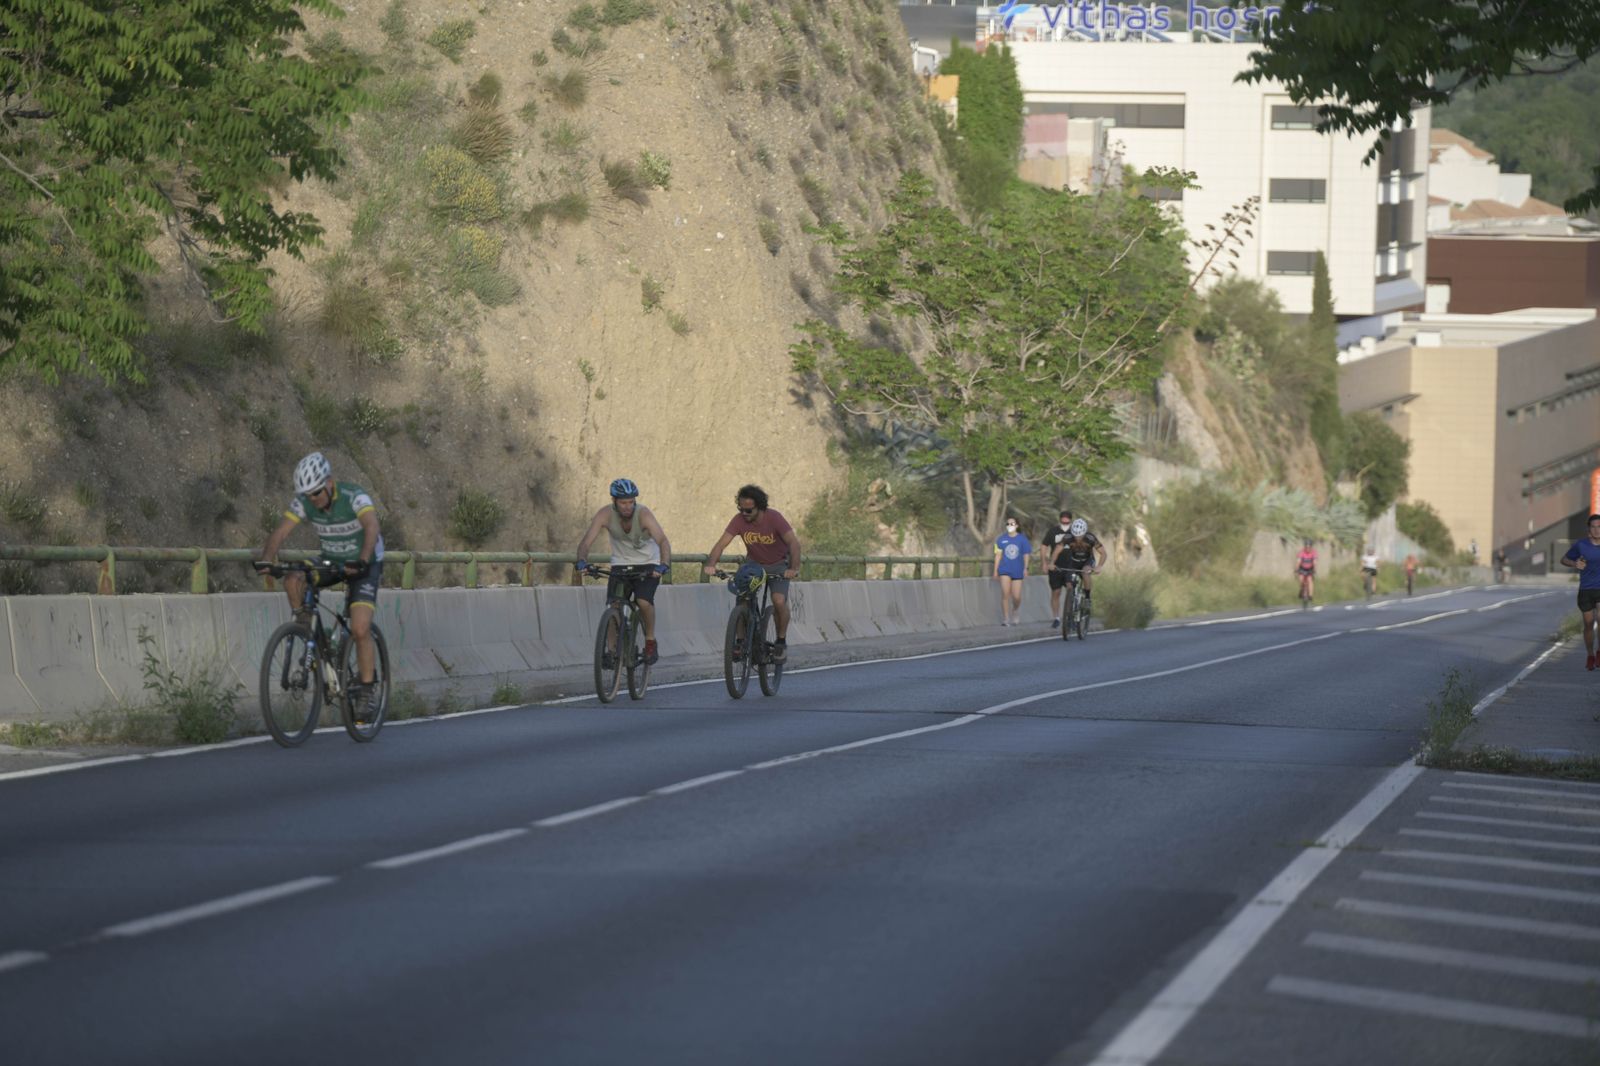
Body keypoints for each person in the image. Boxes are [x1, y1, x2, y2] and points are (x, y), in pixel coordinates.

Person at [259, 451, 384, 720]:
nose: (312, 500)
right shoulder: (305, 501)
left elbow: (372, 526)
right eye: (308, 495)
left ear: (328, 483)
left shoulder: (354, 496)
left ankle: (366, 690)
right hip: (331, 559)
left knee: (360, 628)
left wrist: (362, 560)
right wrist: (267, 560)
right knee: (293, 578)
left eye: (316, 493)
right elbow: (280, 532)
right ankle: (307, 632)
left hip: (365, 562)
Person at [575, 478, 672, 665]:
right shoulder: (605, 514)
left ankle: (650, 640)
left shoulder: (643, 514)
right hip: (621, 564)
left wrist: (663, 564)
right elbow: (586, 542)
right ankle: (611, 651)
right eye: (623, 502)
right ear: (614, 502)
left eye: (631, 502)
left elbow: (662, 541)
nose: (628, 507)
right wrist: (582, 561)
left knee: (643, 601)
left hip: (648, 564)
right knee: (614, 606)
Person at [703, 484, 802, 661]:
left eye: (749, 510)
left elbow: (793, 543)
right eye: (741, 510)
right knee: (742, 598)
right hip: (754, 565)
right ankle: (740, 642)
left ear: (760, 507)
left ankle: (781, 641)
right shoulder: (739, 520)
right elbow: (721, 544)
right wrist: (711, 564)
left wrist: (793, 569)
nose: (744, 514)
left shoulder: (774, 518)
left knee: (778, 600)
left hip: (778, 564)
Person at [1559, 514, 1600, 671]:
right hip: (1586, 590)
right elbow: (1564, 559)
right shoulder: (1581, 545)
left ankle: (1599, 652)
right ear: (1589, 529)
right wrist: (1574, 563)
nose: (1597, 530)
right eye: (1594, 527)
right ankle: (1590, 655)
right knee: (1589, 624)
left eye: (1599, 526)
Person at [1049, 518, 1106, 616]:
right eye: (1075, 535)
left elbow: (1103, 553)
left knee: (1085, 572)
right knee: (1069, 584)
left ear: (1084, 532)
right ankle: (1070, 608)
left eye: (1080, 535)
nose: (1077, 538)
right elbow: (1057, 550)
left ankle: (1087, 597)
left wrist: (1099, 566)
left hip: (1087, 561)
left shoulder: (1090, 538)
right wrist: (1052, 563)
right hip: (1073, 561)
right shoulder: (1068, 537)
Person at [993, 517, 1032, 626]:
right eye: (1008, 523)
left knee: (1016, 596)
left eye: (1012, 523)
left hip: (1017, 570)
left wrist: (1026, 568)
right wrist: (995, 571)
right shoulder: (1001, 539)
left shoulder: (1022, 539)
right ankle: (1006, 618)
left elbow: (1026, 554)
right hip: (1004, 569)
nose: (1010, 525)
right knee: (1005, 594)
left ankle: (1015, 610)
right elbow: (998, 555)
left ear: (1017, 526)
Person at [1040, 510, 1075, 627]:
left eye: (1067, 519)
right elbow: (1044, 546)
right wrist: (1044, 563)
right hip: (1055, 566)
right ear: (1060, 519)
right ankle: (1056, 617)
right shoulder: (1053, 531)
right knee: (1056, 592)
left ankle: (1071, 616)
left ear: (1071, 519)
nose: (1065, 521)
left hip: (1071, 565)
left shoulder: (1075, 532)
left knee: (1071, 589)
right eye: (1063, 518)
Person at [1295, 539, 1317, 603]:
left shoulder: (1313, 553)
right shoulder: (1301, 552)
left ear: (1311, 547)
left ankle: (1310, 595)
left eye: (1309, 547)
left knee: (1310, 581)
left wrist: (1314, 570)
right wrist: (1296, 569)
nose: (1307, 548)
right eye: (1306, 547)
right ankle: (1302, 591)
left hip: (1310, 568)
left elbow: (1315, 562)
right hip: (1302, 568)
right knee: (1301, 581)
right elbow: (1298, 561)